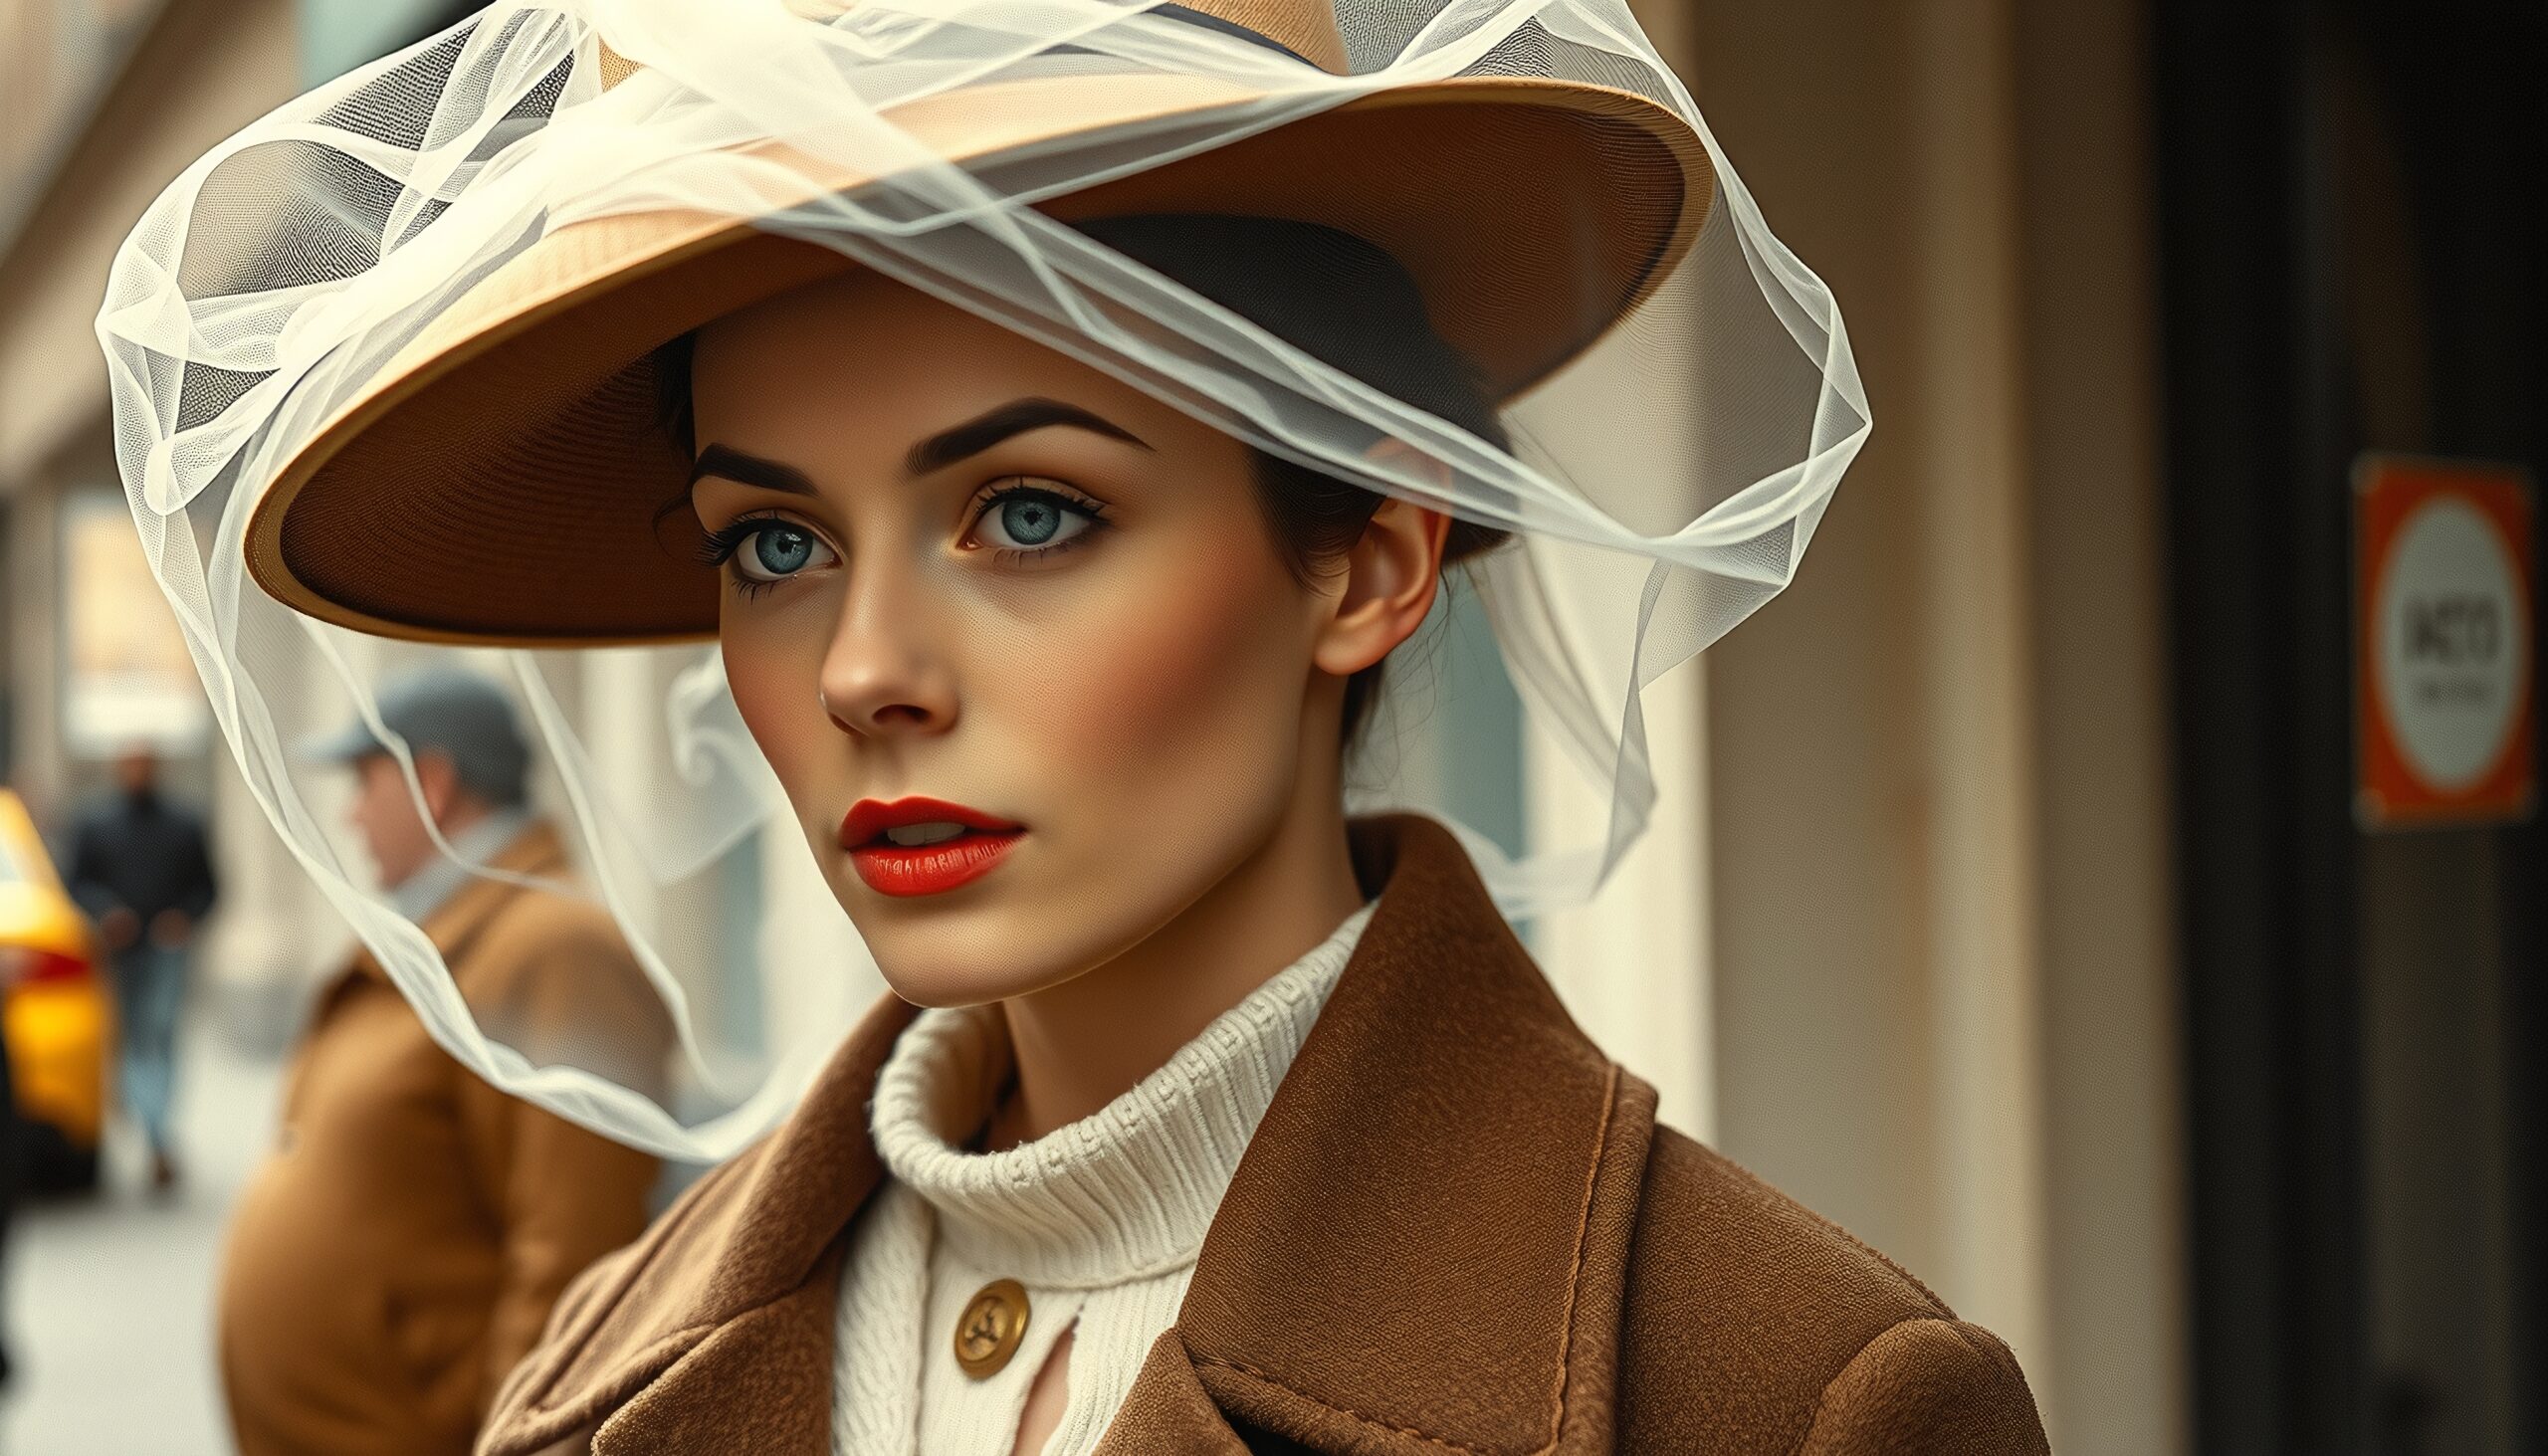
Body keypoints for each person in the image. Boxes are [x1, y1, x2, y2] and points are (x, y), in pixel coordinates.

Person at [105, 1, 2051, 1452]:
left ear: (1368, 558)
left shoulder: (1785, 1398)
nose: (865, 663)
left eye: (1027, 510)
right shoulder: (604, 1371)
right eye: (772, 538)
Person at [215, 666, 667, 1456]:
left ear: (435, 781)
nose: (352, 816)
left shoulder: (557, 948)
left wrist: (517, 1440)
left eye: (366, 781)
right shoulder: (451, 934)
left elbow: (575, 1251)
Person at [62, 747, 214, 1190]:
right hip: (118, 952)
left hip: (167, 950)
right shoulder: (96, 823)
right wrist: (106, 913)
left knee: (159, 1034)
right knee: (129, 1038)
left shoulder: (184, 824)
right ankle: (149, 1122)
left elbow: (208, 886)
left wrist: (184, 918)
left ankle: (156, 1131)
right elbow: (77, 883)